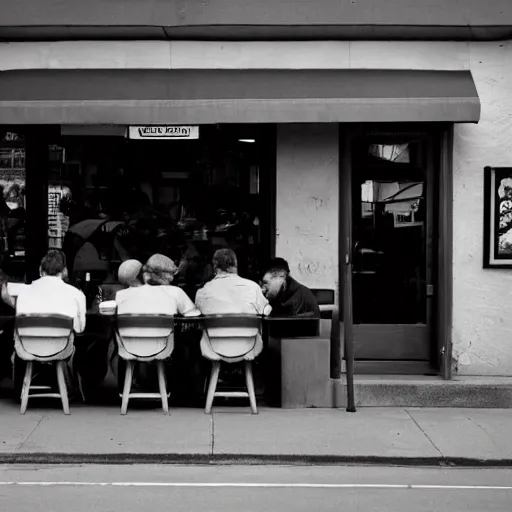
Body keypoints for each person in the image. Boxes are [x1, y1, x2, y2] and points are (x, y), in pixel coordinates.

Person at [195, 248, 271, 361]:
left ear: (214, 266)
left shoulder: (203, 291)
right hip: (250, 348)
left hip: (213, 349)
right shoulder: (253, 287)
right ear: (236, 265)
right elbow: (266, 311)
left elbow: (197, 317)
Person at [16, 249, 86, 333]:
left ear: (40, 269)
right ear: (64, 271)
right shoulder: (76, 294)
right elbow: (80, 329)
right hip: (62, 346)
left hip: (26, 345)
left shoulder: (23, 293)